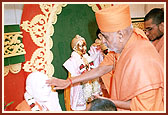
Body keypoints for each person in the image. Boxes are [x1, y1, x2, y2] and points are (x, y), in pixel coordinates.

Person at [46, 4, 164, 111]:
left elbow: (143, 107)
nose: (102, 41)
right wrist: (69, 81)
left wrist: (109, 102)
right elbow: (101, 69)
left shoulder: (142, 59)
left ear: (120, 35)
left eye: (106, 37)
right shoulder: (126, 44)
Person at [63, 35, 102, 111]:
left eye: (85, 45)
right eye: (81, 46)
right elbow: (73, 76)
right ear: (74, 48)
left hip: (89, 87)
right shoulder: (72, 61)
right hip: (78, 88)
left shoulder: (87, 58)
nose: (84, 48)